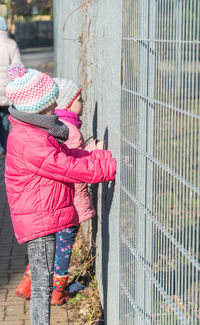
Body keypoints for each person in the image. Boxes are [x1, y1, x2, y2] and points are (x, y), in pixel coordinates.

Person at [5, 63, 116, 325]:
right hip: (40, 221)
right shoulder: (31, 141)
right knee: (43, 285)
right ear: (38, 107)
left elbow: (65, 156)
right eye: (52, 104)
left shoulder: (33, 132)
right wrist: (106, 164)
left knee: (42, 280)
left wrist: (93, 156)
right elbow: (67, 167)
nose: (56, 108)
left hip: (43, 214)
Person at [16, 78, 105, 305]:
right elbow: (74, 166)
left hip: (51, 203)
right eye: (79, 99)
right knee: (64, 245)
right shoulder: (71, 131)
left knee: (46, 245)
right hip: (70, 202)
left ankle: (28, 282)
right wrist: (94, 150)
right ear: (67, 102)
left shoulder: (50, 128)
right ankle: (58, 291)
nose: (83, 103)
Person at [0, 16, 22, 156]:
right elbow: (18, 69)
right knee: (5, 120)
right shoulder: (11, 44)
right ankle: (4, 147)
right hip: (7, 91)